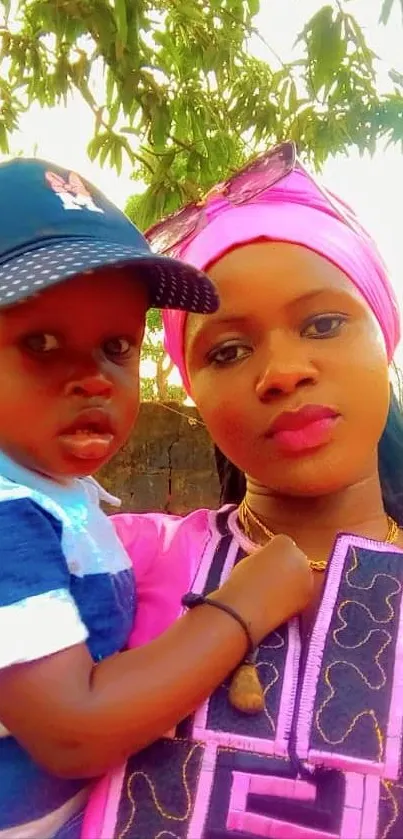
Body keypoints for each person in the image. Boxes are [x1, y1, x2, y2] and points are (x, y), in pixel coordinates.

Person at [83, 141, 403, 839]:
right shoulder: (110, 560)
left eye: (322, 323)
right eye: (227, 350)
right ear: (193, 391)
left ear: (385, 337)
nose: (282, 372)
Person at [0, 158, 305, 839]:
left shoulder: (57, 495)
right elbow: (71, 732)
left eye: (116, 345)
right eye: (40, 342)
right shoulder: (5, 517)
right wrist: (242, 606)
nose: (92, 378)